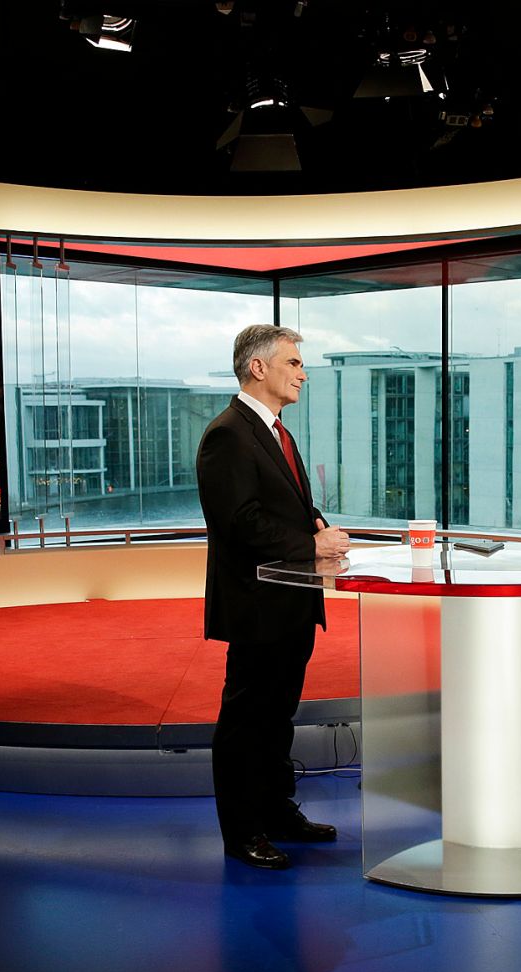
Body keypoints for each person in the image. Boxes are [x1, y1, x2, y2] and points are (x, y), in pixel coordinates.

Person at [197, 324, 350, 870]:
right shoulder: (228, 434)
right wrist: (310, 543)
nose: (303, 372)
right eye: (293, 363)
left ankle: (278, 813)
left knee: (278, 717)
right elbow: (238, 522)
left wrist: (321, 532)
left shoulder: (276, 432)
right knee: (246, 722)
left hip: (291, 601)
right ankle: (242, 834)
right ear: (257, 368)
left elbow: (286, 509)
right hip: (257, 605)